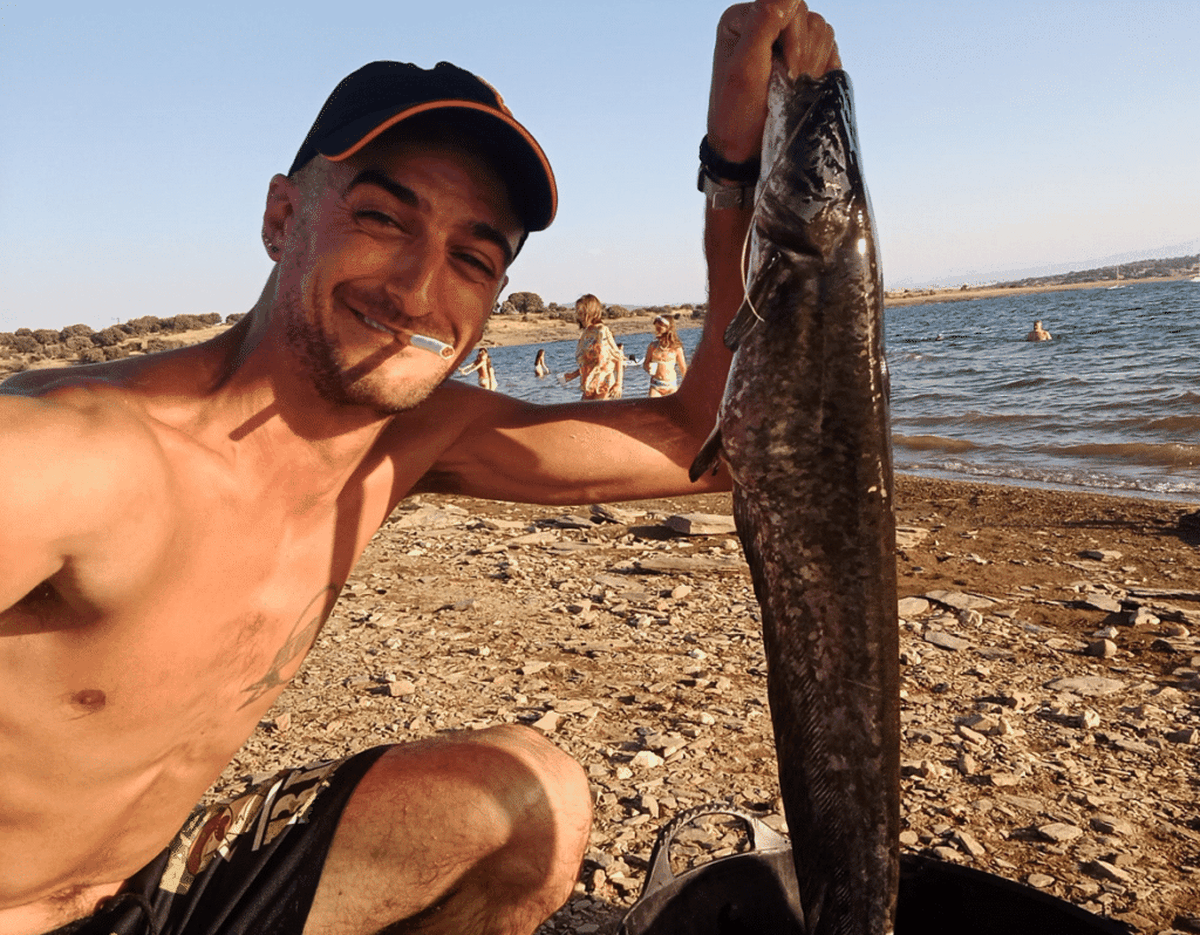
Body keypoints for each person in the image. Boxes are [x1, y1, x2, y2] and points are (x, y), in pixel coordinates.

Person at [0, 6, 841, 934]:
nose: (414, 290)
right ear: (283, 216)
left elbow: (720, 439)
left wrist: (735, 167)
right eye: (379, 217)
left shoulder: (415, 436)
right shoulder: (68, 457)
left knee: (536, 798)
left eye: (471, 258)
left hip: (150, 890)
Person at [563, 294, 623, 400]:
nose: (578, 315)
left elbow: (617, 357)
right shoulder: (585, 334)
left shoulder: (602, 331)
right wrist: (573, 375)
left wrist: (618, 384)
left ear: (590, 311)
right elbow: (589, 363)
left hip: (605, 384)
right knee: (581, 414)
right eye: (577, 312)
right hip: (589, 385)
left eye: (581, 312)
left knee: (598, 415)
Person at [642, 314, 689, 396]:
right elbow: (645, 364)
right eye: (656, 328)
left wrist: (688, 387)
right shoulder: (652, 346)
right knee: (653, 408)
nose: (657, 330)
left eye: (660, 328)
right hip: (655, 386)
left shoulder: (676, 348)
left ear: (668, 328)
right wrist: (648, 368)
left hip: (671, 386)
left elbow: (683, 369)